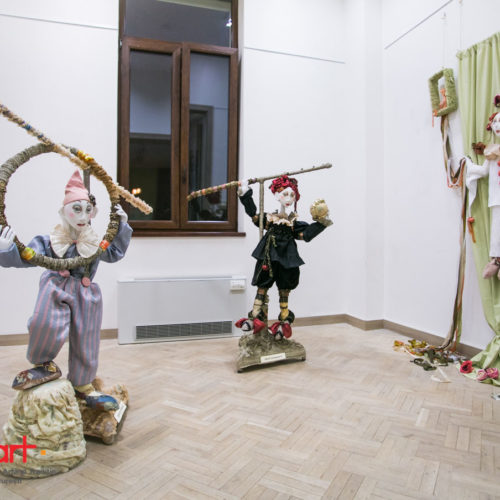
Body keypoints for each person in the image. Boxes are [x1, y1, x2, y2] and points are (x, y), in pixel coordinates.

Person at [0, 170, 132, 411]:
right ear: (64, 211)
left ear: (92, 213)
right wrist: (6, 250)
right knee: (44, 323)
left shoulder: (94, 241)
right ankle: (43, 364)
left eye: (87, 210)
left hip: (85, 290)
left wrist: (122, 226)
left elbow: (114, 253)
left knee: (87, 337)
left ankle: (83, 384)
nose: (82, 216)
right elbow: (26, 257)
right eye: (76, 209)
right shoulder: (50, 240)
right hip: (55, 286)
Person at [235, 174, 332, 339]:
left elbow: (305, 235)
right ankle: (255, 315)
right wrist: (245, 194)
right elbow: (255, 217)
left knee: (285, 289)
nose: (289, 198)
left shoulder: (293, 222)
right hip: (269, 256)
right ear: (276, 195)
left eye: (292, 195)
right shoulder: (269, 219)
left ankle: (284, 320)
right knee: (262, 285)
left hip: (287, 257)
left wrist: (322, 222)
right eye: (285, 194)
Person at [465, 97, 500, 278]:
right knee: (496, 229)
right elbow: (484, 171)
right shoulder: (492, 152)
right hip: (496, 197)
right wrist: (469, 165)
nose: (497, 125)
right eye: (495, 122)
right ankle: (496, 261)